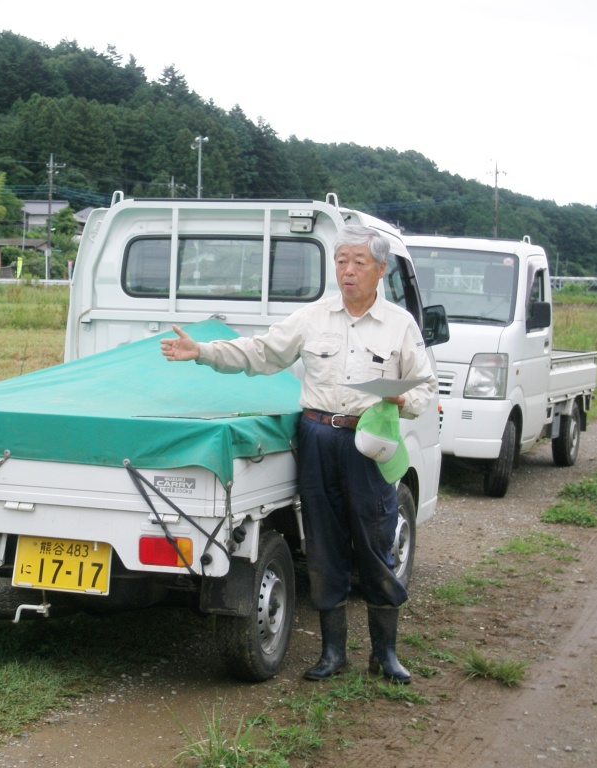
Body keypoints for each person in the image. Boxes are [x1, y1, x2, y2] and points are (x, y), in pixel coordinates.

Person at [160, 225, 436, 683]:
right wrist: (202, 351)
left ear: (381, 270)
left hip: (369, 440)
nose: (347, 271)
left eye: (358, 262)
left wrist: (405, 401)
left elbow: (425, 384)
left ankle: (385, 654)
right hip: (317, 437)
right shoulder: (313, 317)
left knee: (375, 541)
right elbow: (262, 353)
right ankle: (333, 654)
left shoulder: (400, 325)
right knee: (324, 544)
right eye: (341, 260)